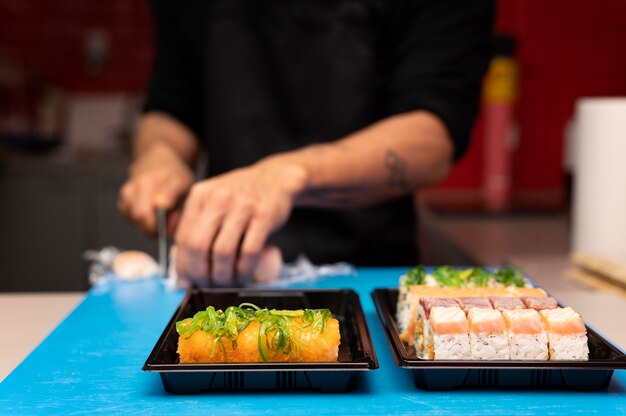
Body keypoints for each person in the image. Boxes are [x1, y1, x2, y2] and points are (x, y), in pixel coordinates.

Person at [118, 0, 494, 286]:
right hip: (221, 271)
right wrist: (159, 156)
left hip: (369, 275)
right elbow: (170, 105)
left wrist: (287, 174)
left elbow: (434, 134)